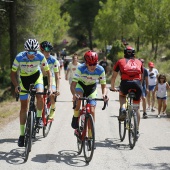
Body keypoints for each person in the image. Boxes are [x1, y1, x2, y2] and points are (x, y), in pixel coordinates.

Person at [10, 38, 52, 147]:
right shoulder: (19, 57)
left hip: (37, 77)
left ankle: (38, 118)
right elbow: (13, 74)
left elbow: (48, 72)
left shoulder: (40, 56)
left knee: (39, 95)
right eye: (30, 52)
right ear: (25, 51)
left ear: (37, 51)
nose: (32, 55)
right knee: (24, 107)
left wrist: (50, 87)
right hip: (24, 80)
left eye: (34, 52)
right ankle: (22, 135)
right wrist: (16, 86)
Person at [70, 50, 108, 135]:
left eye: (94, 64)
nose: (92, 66)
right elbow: (73, 85)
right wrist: (74, 94)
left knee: (92, 110)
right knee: (79, 99)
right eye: (90, 64)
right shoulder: (80, 68)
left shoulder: (100, 69)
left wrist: (104, 94)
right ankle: (76, 116)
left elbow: (103, 85)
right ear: (86, 63)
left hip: (91, 87)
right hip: (80, 85)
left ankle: (91, 134)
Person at [110, 46, 143, 137]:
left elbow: (113, 77)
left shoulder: (120, 61)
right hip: (137, 85)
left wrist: (112, 87)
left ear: (124, 53)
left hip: (125, 84)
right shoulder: (139, 62)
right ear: (134, 53)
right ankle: (137, 130)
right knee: (136, 108)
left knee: (122, 95)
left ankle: (123, 109)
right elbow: (141, 75)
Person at [40, 41, 60, 120]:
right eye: (46, 51)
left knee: (52, 93)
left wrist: (57, 89)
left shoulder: (53, 60)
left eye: (49, 51)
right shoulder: (38, 59)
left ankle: (53, 108)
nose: (48, 53)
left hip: (50, 79)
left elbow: (57, 76)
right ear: (42, 51)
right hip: (41, 78)